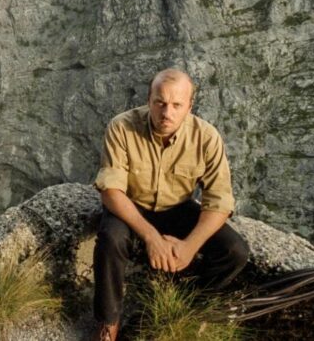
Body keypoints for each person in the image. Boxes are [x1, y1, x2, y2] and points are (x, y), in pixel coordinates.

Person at [92, 69, 249, 341]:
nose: (167, 112)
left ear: (190, 105)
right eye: (160, 102)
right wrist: (151, 237)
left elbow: (219, 201)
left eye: (177, 105)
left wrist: (189, 247)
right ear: (148, 100)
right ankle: (109, 323)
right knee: (111, 238)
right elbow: (111, 191)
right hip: (133, 205)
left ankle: (190, 304)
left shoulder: (206, 137)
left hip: (178, 208)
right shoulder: (122, 127)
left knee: (235, 251)